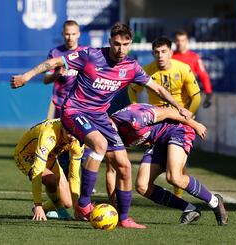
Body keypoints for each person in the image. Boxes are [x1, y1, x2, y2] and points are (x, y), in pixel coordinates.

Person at [11, 22, 192, 229]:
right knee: (99, 145)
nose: (121, 49)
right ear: (109, 42)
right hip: (74, 111)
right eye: (116, 44)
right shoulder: (91, 55)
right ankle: (84, 204)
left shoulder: (131, 67)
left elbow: (157, 88)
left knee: (123, 165)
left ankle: (124, 218)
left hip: (100, 116)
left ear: (130, 44)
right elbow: (53, 63)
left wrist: (179, 107)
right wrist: (26, 76)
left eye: (125, 45)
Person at [110, 103, 228, 226]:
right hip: (159, 141)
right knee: (142, 186)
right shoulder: (109, 137)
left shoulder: (133, 117)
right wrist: (114, 208)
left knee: (174, 177)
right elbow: (113, 170)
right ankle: (189, 209)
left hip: (178, 130)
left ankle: (214, 201)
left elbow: (169, 112)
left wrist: (196, 125)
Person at [128, 36, 201, 197]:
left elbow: (196, 96)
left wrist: (189, 115)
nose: (160, 55)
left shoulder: (183, 68)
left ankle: (179, 194)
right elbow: (132, 89)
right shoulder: (147, 70)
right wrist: (134, 105)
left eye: (163, 51)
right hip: (158, 124)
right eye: (156, 52)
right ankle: (177, 196)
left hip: (179, 123)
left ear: (171, 52)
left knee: (175, 170)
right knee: (145, 182)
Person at [14, 119, 83, 221]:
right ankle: (58, 209)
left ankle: (44, 209)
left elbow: (74, 175)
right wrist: (38, 204)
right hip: (27, 155)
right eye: (69, 132)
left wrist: (77, 207)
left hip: (49, 157)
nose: (72, 137)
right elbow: (37, 172)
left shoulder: (78, 139)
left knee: (68, 202)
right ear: (62, 128)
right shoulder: (48, 136)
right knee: (51, 179)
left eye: (75, 133)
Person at [43, 20, 87, 180]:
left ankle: (82, 182)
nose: (70, 37)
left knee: (83, 143)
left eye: (73, 33)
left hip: (80, 106)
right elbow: (45, 80)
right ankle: (66, 180)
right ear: (63, 34)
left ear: (79, 34)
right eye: (67, 34)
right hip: (60, 105)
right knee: (61, 145)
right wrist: (56, 74)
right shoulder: (55, 53)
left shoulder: (85, 52)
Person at [172, 30, 213, 108]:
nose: (180, 43)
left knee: (188, 119)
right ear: (174, 41)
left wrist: (208, 94)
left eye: (182, 40)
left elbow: (203, 76)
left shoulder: (194, 57)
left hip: (189, 96)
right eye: (178, 40)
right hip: (173, 96)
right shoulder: (170, 56)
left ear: (187, 41)